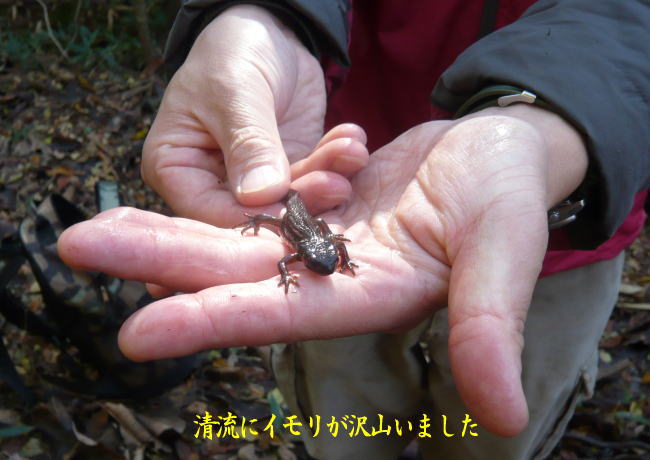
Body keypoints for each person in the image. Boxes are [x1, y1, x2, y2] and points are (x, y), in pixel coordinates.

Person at [58, 0, 650, 458]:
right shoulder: (304, 247)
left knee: (488, 432)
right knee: (347, 410)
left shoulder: (320, 253)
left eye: (322, 264)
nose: (320, 266)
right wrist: (265, 13)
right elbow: (300, 249)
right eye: (321, 263)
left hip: (563, 243)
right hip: (352, 177)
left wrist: (549, 129)